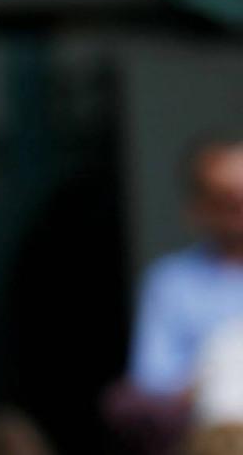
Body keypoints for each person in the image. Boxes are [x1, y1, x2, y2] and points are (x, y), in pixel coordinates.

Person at [104, 136, 243, 454]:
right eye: (225, 198)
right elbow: (151, 385)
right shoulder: (171, 283)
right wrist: (218, 374)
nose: (239, 207)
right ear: (197, 208)